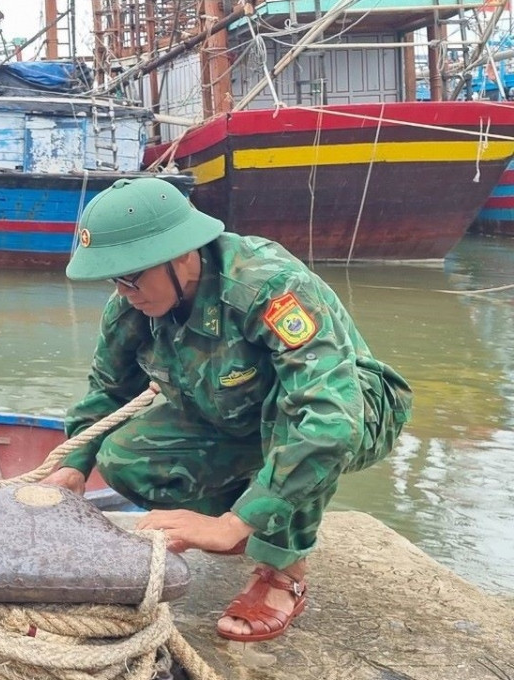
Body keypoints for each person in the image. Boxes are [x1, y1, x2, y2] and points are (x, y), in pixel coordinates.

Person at [42, 177, 412, 643]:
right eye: (115, 279)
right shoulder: (134, 306)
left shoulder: (270, 288)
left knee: (293, 414)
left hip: (354, 409)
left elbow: (328, 422)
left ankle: (282, 570)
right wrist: (72, 466)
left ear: (181, 254)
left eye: (131, 276)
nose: (123, 291)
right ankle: (251, 522)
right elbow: (108, 392)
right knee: (123, 456)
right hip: (228, 411)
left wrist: (232, 521)